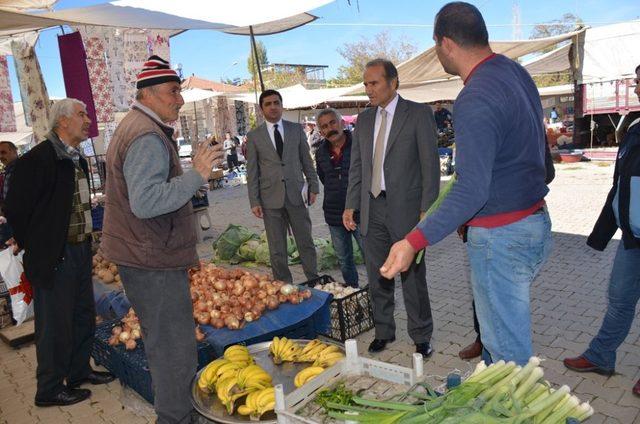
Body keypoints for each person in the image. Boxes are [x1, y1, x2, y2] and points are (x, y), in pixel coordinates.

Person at [379, 2, 552, 366]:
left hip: (501, 238)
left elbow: (472, 189)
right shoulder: (516, 73)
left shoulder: (474, 96)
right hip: (534, 222)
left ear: (446, 44)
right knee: (497, 340)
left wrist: (413, 241)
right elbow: (542, 157)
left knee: (508, 356)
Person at [100, 55, 222, 423]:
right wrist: (197, 174)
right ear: (149, 94)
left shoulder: (137, 127)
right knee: (173, 352)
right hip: (151, 259)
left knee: (166, 346)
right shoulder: (146, 136)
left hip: (145, 254)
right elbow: (147, 202)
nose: (180, 100)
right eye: (173, 92)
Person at [4, 98, 115, 407]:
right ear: (62, 122)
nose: (88, 119)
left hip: (81, 250)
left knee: (82, 315)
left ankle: (79, 372)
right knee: (54, 323)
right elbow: (15, 207)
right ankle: (49, 389)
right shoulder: (39, 159)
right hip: (55, 254)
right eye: (82, 114)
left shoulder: (76, 158)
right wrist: (34, 241)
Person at [343, 58, 440, 357]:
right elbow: (357, 166)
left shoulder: (419, 114)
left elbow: (430, 166)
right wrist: (350, 205)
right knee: (377, 275)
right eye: (366, 84)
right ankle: (384, 330)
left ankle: (421, 334)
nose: (368, 89)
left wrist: (428, 209)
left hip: (408, 211)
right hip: (372, 208)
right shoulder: (364, 120)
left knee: (412, 276)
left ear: (393, 82)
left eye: (374, 83)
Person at [563, 64, 640, 397]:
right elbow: (620, 184)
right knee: (619, 298)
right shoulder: (636, 129)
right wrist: (602, 232)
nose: (637, 88)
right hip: (633, 238)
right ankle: (601, 355)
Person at [458, 141, 556, 360]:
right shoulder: (525, 113)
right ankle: (487, 352)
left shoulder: (490, 117)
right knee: (498, 317)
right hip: (524, 224)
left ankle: (510, 384)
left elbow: (547, 172)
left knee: (504, 330)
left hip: (502, 231)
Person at [246, 89, 319, 284]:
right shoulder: (254, 136)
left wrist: (314, 185)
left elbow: (307, 160)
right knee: (277, 248)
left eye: (276, 102)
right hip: (270, 200)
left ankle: (314, 280)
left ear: (282, 105)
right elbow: (252, 171)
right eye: (268, 104)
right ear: (262, 109)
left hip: (297, 195)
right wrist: (254, 200)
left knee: (306, 242)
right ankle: (283, 286)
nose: (273, 107)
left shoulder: (296, 129)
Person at [315, 108, 363, 288]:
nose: (330, 129)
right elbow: (324, 178)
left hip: (359, 211)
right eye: (324, 127)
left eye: (333, 123)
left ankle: (378, 294)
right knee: (344, 259)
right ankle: (353, 292)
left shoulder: (358, 144)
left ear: (342, 123)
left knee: (369, 255)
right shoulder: (320, 153)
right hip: (334, 214)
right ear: (321, 131)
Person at [0, 141, 19, 245]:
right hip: (10, 219)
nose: (1, 156)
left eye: (3, 152)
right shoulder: (8, 170)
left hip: (19, 220)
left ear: (14, 152)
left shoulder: (21, 169)